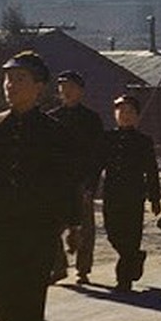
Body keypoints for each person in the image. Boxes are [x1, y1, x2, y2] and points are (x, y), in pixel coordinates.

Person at [0, 50, 77, 321]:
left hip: (38, 230)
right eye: (8, 78)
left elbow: (68, 182)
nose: (11, 85)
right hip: (0, 227)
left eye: (19, 79)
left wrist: (72, 226)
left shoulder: (54, 133)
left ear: (39, 87)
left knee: (31, 299)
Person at [98, 94, 161, 292]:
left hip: (134, 196)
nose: (125, 115)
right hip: (112, 194)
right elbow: (96, 165)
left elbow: (151, 171)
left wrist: (155, 198)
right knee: (113, 234)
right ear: (115, 114)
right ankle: (135, 256)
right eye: (121, 111)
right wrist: (90, 188)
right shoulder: (107, 138)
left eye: (129, 112)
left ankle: (123, 280)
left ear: (136, 115)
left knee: (132, 235)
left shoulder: (143, 141)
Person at [47, 69, 105, 285]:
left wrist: (91, 183)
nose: (66, 91)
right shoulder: (52, 118)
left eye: (71, 87)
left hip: (81, 182)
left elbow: (98, 155)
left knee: (84, 228)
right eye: (62, 88)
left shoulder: (91, 119)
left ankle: (83, 269)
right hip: (57, 183)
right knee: (51, 227)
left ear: (81, 91)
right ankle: (59, 266)